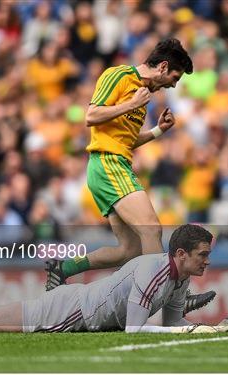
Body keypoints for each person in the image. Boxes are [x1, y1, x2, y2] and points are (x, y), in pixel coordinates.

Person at [45, 38, 214, 315]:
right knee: (152, 229)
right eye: (174, 76)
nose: (173, 84)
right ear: (162, 66)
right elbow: (91, 115)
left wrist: (158, 131)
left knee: (130, 250)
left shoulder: (143, 95)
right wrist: (131, 103)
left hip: (115, 162)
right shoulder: (120, 76)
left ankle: (63, 268)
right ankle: (172, 301)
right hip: (108, 164)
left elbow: (126, 141)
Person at [0, 224, 228, 334]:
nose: (207, 262)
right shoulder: (155, 269)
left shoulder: (178, 278)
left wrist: (204, 327)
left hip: (77, 305)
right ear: (180, 254)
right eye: (203, 255)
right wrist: (196, 332)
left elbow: (174, 322)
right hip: (73, 312)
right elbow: (134, 330)